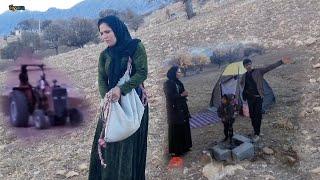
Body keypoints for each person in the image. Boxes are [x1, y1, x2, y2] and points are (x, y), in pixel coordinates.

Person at [88, 15, 149, 180]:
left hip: (132, 103)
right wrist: (106, 99)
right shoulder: (104, 55)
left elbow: (142, 73)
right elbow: (101, 79)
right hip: (111, 105)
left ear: (117, 29)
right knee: (107, 143)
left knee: (127, 147)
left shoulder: (135, 47)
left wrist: (121, 90)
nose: (104, 36)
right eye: (101, 33)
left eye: (107, 31)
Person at [241, 57, 291, 142]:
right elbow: (243, 86)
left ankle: (257, 133)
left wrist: (281, 62)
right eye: (246, 65)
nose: (248, 66)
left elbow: (269, 67)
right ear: (244, 66)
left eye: (249, 64)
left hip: (258, 98)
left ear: (251, 64)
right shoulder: (244, 76)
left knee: (258, 115)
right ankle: (255, 130)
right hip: (250, 99)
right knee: (252, 116)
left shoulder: (258, 71)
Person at [163, 66, 192, 156]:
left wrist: (184, 94)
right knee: (177, 128)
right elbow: (170, 97)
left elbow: (181, 94)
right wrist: (182, 94)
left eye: (180, 72)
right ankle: (178, 150)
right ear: (173, 73)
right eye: (178, 72)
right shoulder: (168, 83)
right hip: (174, 110)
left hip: (182, 108)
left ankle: (185, 147)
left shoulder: (179, 82)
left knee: (184, 126)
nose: (180, 74)